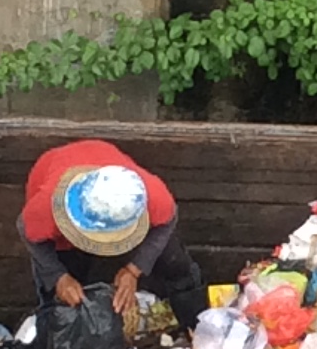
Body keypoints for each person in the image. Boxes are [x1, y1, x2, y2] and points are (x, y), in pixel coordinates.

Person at [20, 139, 204, 326]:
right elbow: (29, 234)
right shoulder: (46, 208)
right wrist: (58, 277)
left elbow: (167, 221)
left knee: (175, 262)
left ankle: (192, 323)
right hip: (56, 190)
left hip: (103, 157)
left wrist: (133, 270)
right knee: (65, 295)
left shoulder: (153, 197)